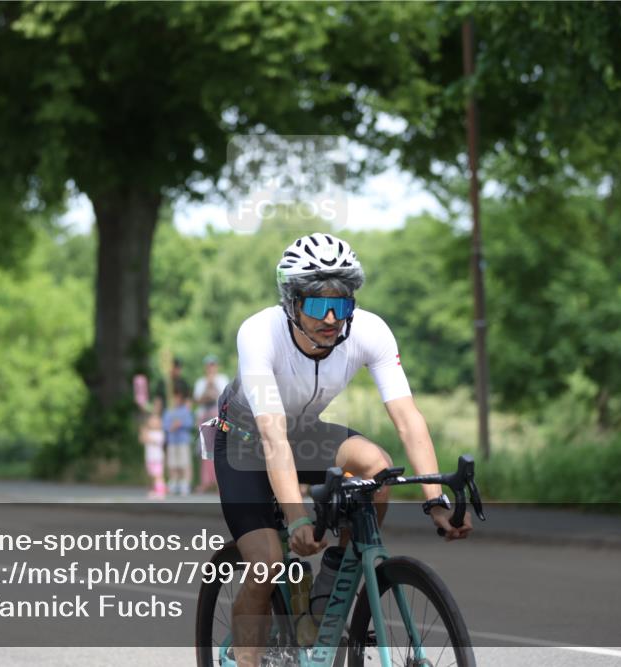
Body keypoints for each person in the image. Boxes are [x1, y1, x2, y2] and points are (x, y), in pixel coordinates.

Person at [213, 232, 473, 667]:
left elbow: (408, 418)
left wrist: (435, 501)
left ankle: (332, 585)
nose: (332, 318)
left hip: (302, 434)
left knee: (377, 469)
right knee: (267, 562)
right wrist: (297, 515)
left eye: (342, 304)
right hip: (244, 441)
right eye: (318, 305)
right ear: (292, 302)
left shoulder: (370, 331)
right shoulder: (258, 333)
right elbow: (272, 436)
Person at [193, 354, 229, 493]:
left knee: (220, 447)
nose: (211, 368)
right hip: (204, 416)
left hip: (219, 415)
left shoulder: (222, 379)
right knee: (206, 450)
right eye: (209, 365)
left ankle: (221, 482)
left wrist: (212, 384)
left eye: (213, 365)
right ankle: (206, 482)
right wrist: (208, 385)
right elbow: (198, 399)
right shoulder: (201, 382)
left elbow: (222, 397)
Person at [163, 388, 195, 495]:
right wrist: (171, 427)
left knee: (184, 463)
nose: (175, 400)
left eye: (177, 398)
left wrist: (180, 424)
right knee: (172, 463)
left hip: (183, 441)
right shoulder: (168, 411)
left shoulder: (185, 410)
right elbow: (165, 425)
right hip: (172, 441)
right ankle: (174, 482)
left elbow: (190, 423)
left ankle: (185, 483)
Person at [139, 410, 166, 499]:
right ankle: (155, 490)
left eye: (155, 421)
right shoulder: (149, 432)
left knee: (158, 475)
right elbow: (142, 440)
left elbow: (150, 440)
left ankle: (161, 491)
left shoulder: (160, 433)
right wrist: (143, 432)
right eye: (151, 421)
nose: (153, 422)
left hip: (157, 458)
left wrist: (145, 433)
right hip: (149, 458)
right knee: (152, 475)